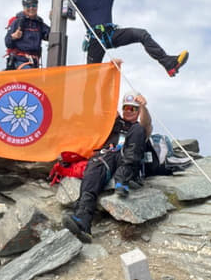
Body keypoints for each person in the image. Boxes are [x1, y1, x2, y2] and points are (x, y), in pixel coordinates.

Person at [62, 92, 152, 243]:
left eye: (133, 108)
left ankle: (122, 179)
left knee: (136, 130)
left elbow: (146, 124)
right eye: (126, 108)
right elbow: (103, 104)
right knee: (94, 169)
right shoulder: (115, 123)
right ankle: (83, 222)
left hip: (128, 159)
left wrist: (143, 106)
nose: (129, 111)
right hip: (108, 156)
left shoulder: (140, 128)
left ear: (138, 111)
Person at [4, 0, 50, 69]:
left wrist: (53, 19)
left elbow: (51, 35)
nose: (31, 8)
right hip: (20, 61)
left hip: (34, 63)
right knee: (31, 74)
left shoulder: (39, 24)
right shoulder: (17, 22)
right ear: (24, 7)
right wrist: (13, 37)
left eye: (34, 5)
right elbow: (7, 43)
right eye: (28, 6)